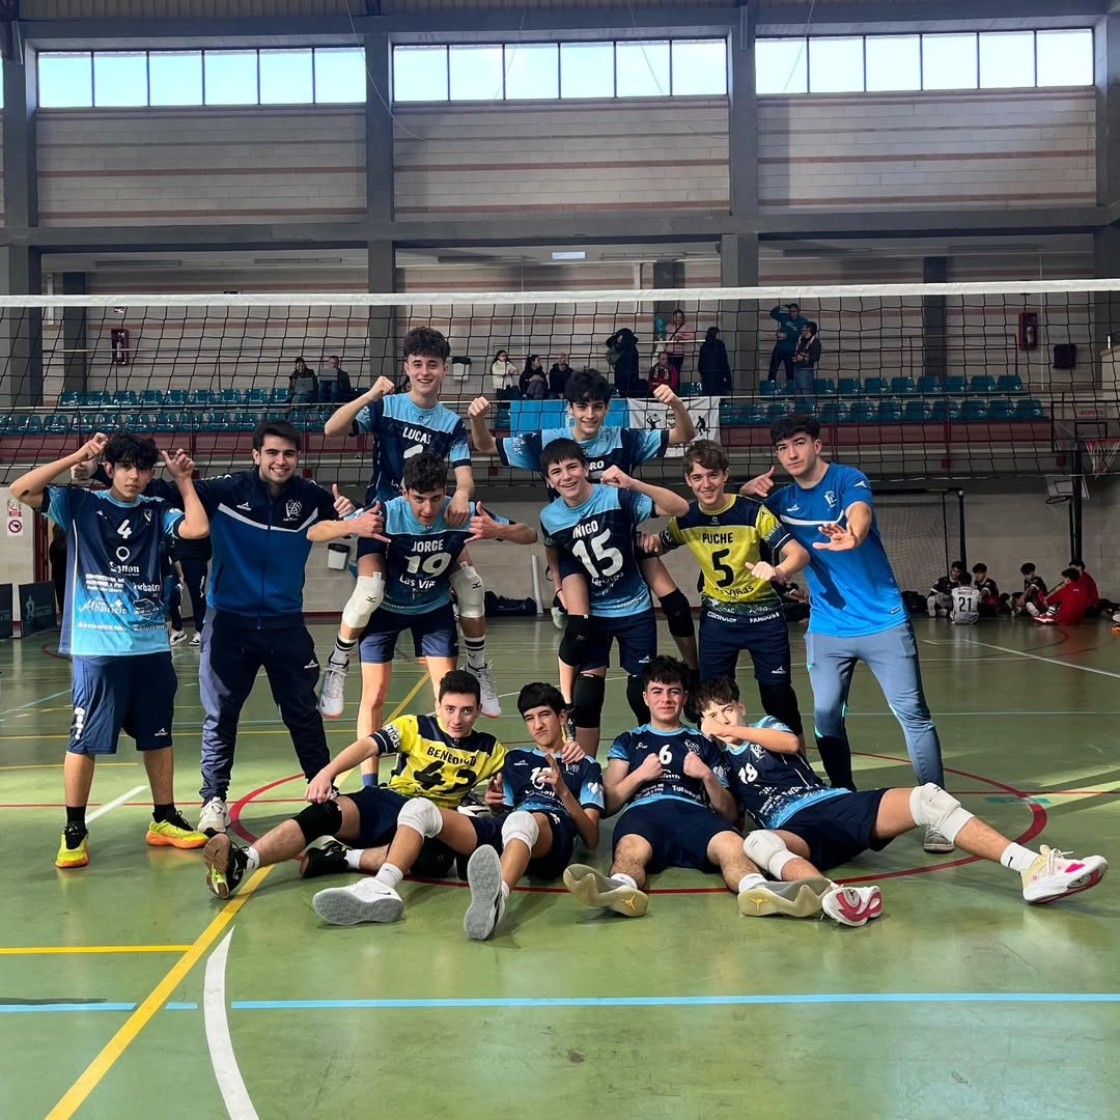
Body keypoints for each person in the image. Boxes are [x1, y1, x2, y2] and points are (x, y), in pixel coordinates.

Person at [694, 676, 1107, 926]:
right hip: (794, 829)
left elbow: (791, 743)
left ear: (741, 707)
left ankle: (1031, 868)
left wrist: (736, 732)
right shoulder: (719, 763)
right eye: (714, 716)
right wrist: (708, 774)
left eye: (728, 710)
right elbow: (733, 818)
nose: (724, 720)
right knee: (758, 844)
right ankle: (838, 898)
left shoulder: (765, 725)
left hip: (830, 804)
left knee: (928, 798)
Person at [742, 415, 948, 852]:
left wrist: (854, 536)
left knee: (912, 714)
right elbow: (742, 517)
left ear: (818, 445)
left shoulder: (848, 479)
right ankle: (843, 798)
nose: (792, 454)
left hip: (882, 620)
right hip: (828, 627)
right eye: (782, 448)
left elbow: (861, 512)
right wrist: (744, 494)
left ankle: (939, 812)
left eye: (799, 443)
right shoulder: (779, 501)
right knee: (826, 716)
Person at [10, 431, 210, 868]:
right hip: (98, 647)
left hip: (151, 647)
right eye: (125, 467)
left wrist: (183, 481)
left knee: (158, 736)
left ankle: (163, 818)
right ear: (109, 469)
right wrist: (77, 456)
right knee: (83, 741)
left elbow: (197, 529)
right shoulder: (80, 505)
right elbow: (20, 489)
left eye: (142, 468)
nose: (134, 476)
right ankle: (74, 829)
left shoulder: (157, 510)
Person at [468, 367, 700, 699]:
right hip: (572, 546)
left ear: (607, 408)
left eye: (597, 407)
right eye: (582, 406)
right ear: (570, 408)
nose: (589, 414)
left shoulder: (624, 439)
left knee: (676, 604)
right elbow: (486, 446)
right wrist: (477, 419)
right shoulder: (549, 442)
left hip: (621, 539)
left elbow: (683, 436)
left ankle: (693, 672)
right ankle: (570, 702)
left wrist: (676, 404)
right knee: (580, 631)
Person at [191, 419, 375, 835]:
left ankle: (322, 790)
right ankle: (213, 799)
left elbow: (349, 521)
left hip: (284, 623)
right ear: (256, 455)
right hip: (229, 623)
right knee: (220, 715)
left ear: (298, 458)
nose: (280, 461)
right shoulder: (226, 492)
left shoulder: (310, 497)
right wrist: (92, 474)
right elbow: (162, 491)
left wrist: (348, 513)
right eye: (272, 453)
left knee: (303, 714)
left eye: (289, 454)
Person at [203, 670, 508, 914]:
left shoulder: (489, 748)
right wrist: (327, 772)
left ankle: (341, 859)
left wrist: (498, 797)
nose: (457, 719)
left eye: (467, 711)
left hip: (432, 822)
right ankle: (245, 861)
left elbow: (511, 781)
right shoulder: (414, 726)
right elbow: (368, 746)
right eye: (450, 709)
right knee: (324, 814)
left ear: (479, 710)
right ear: (438, 704)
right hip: (389, 802)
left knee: (435, 861)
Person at [320, 327, 500, 723]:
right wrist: (370, 394)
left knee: (471, 584)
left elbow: (465, 475)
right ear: (406, 367)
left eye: (432, 365)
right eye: (417, 364)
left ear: (444, 370)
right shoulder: (385, 408)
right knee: (369, 591)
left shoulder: (451, 423)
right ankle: (337, 664)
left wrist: (464, 496)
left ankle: (479, 667)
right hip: (385, 519)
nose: (424, 372)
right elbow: (331, 429)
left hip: (431, 521)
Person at [350, 452, 535, 781]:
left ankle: (449, 775)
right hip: (387, 610)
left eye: (436, 499)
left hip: (432, 609)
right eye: (419, 499)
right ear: (405, 492)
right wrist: (344, 521)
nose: (427, 509)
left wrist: (497, 531)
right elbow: (323, 531)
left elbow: (529, 534)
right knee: (374, 695)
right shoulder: (387, 513)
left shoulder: (458, 512)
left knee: (448, 697)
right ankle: (369, 784)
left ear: (445, 492)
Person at [563, 658, 784, 919]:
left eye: (674, 691)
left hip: (695, 814)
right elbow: (608, 804)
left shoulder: (703, 742)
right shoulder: (629, 740)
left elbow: (729, 814)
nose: (665, 699)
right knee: (630, 849)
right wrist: (639, 776)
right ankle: (621, 890)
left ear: (684, 697)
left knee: (733, 845)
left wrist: (706, 776)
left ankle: (757, 891)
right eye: (657, 691)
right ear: (645, 698)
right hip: (645, 813)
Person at [642, 440, 809, 738]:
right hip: (719, 621)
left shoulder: (753, 513)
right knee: (713, 698)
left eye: (712, 475)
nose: (706, 484)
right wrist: (649, 542)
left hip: (765, 619)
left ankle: (794, 762)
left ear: (725, 475)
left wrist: (778, 570)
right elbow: (660, 545)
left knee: (777, 694)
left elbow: (799, 553)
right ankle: (720, 763)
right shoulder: (685, 518)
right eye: (697, 477)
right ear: (688, 481)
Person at [540, 442, 689, 756]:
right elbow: (553, 549)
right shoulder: (550, 516)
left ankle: (653, 758)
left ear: (585, 468)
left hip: (634, 607)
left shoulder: (616, 496)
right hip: (595, 613)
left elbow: (680, 507)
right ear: (549, 481)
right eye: (557, 472)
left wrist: (633, 483)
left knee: (639, 694)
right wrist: (558, 585)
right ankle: (586, 768)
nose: (566, 476)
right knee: (588, 698)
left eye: (572, 467)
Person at [463, 681, 604, 941]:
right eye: (529, 718)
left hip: (554, 832)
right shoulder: (514, 760)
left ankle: (497, 900)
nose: (537, 725)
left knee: (524, 820)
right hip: (515, 828)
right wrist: (493, 805)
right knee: (431, 814)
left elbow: (592, 838)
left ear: (562, 717)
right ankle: (383, 877)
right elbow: (504, 813)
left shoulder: (585, 765)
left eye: (544, 715)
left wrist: (563, 791)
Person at [767, 303, 807, 382]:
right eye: (791, 311)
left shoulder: (803, 321)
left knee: (790, 372)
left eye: (794, 311)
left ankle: (790, 390)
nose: (792, 313)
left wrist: (787, 336)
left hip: (791, 350)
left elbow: (801, 335)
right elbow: (772, 313)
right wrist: (783, 306)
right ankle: (771, 387)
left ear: (798, 311)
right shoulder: (785, 317)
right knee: (772, 370)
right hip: (779, 348)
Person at [605, 327, 641, 398]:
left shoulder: (624, 349)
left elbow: (610, 358)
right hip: (630, 381)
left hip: (624, 381)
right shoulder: (631, 348)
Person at [697, 326, 732, 396]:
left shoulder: (704, 346)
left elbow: (700, 363)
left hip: (706, 377)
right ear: (716, 334)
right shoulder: (720, 345)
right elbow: (724, 362)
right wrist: (727, 378)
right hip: (719, 377)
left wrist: (703, 372)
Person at [665, 308, 695, 385]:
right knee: (668, 373)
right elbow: (665, 336)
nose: (678, 319)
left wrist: (682, 338)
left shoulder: (685, 327)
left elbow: (692, 336)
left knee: (676, 373)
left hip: (678, 354)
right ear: (673, 318)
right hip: (668, 354)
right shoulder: (669, 327)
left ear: (682, 318)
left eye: (680, 317)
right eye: (676, 317)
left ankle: (676, 390)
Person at [791, 321, 821, 396]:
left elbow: (816, 357)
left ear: (809, 329)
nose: (802, 329)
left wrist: (803, 359)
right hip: (796, 369)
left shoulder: (815, 342)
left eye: (803, 328)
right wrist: (796, 358)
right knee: (798, 395)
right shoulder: (800, 340)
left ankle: (809, 407)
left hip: (806, 371)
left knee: (806, 394)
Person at [48, 522, 67, 615]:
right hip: (68, 575)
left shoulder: (53, 545)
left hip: (57, 575)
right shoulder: (68, 545)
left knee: (60, 596)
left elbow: (52, 559)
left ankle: (62, 611)